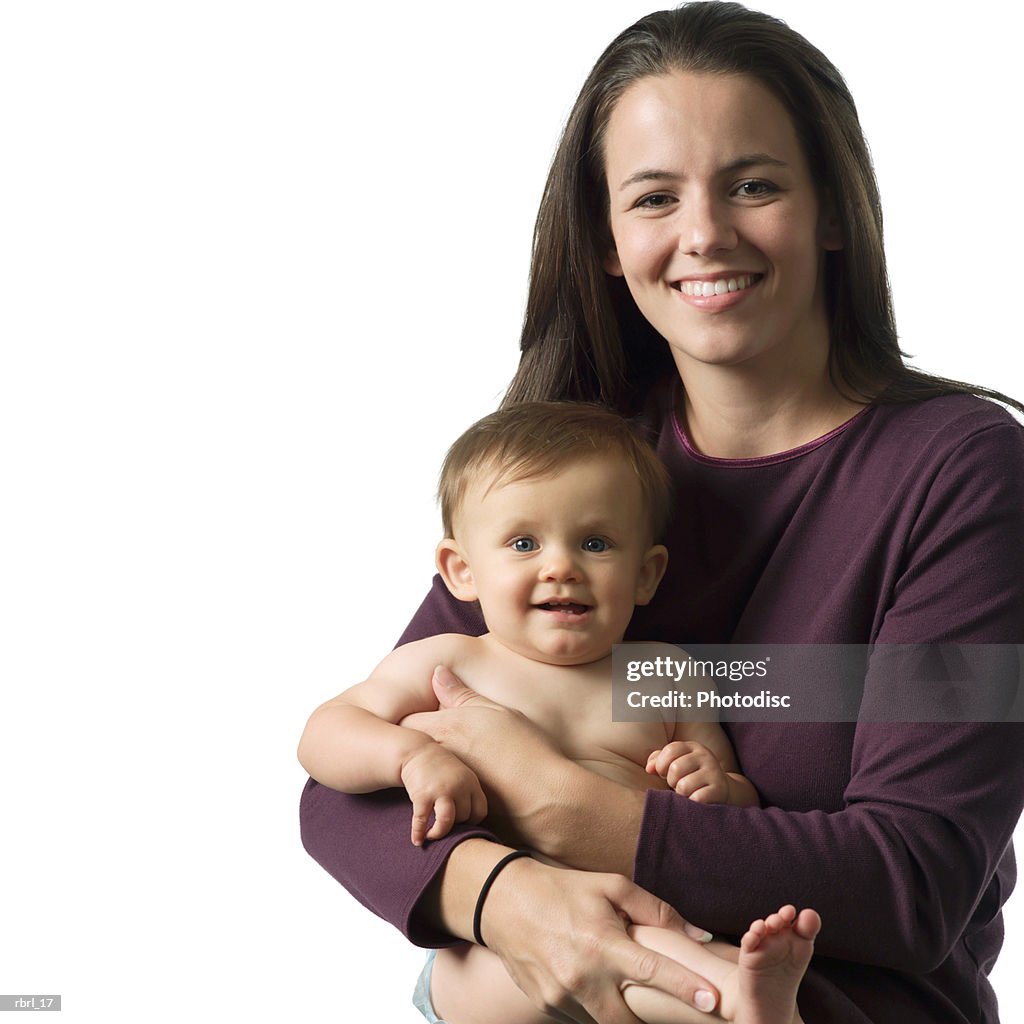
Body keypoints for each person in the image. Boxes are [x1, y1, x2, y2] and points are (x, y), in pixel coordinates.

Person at [300, 4, 1024, 1022]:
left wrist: (564, 804)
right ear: (604, 238)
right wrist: (509, 900)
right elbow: (345, 792)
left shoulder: (959, 470)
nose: (703, 235)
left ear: (829, 210)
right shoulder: (580, 470)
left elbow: (914, 881)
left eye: (754, 184)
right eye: (653, 197)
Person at [299, 401, 819, 1024]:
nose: (561, 566)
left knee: (663, 946)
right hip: (492, 957)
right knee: (647, 953)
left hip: (652, 919)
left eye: (595, 543)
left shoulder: (658, 673)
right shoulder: (451, 665)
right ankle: (742, 1000)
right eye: (524, 543)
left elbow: (739, 805)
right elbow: (323, 733)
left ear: (646, 574)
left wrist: (714, 787)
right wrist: (411, 757)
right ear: (461, 571)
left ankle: (738, 996)